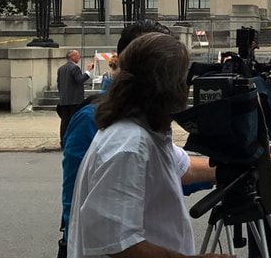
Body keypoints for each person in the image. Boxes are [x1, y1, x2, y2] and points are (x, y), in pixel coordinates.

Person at [67, 32, 230, 258]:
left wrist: (240, 165)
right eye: (184, 78)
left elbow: (185, 168)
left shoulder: (144, 132)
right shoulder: (129, 145)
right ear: (169, 87)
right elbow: (119, 245)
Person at [56, 50, 94, 147]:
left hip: (64, 99)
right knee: (74, 121)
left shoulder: (61, 69)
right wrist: (88, 71)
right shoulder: (75, 68)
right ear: (72, 57)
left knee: (64, 121)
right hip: (74, 100)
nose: (79, 57)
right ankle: (73, 141)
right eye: (77, 56)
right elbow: (80, 80)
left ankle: (63, 141)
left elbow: (59, 83)